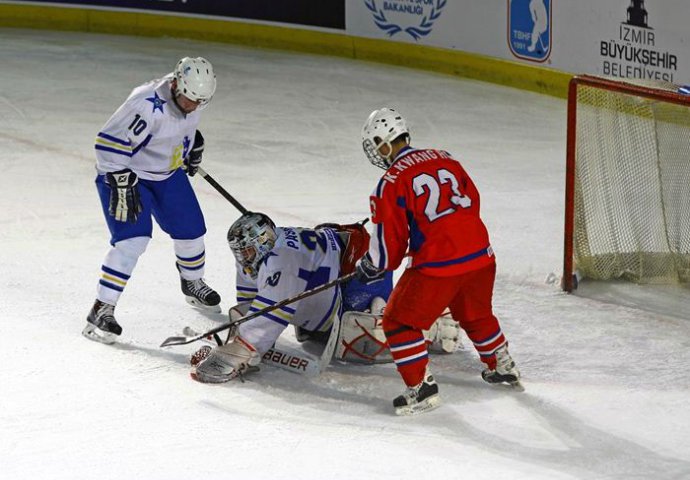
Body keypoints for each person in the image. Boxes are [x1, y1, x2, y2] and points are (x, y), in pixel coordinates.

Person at [354, 107, 522, 416]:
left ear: (385, 142)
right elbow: (472, 200)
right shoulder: (446, 158)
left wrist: (370, 264)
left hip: (439, 266)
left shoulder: (390, 182)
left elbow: (388, 253)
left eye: (377, 145)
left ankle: (421, 389)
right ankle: (502, 364)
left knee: (398, 321)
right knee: (475, 313)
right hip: (481, 255)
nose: (377, 152)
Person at [190, 212, 461, 383]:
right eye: (240, 252)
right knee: (317, 333)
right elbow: (253, 302)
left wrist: (241, 349)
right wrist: (241, 325)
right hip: (334, 261)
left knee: (359, 339)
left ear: (262, 242)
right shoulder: (259, 250)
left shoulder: (281, 261)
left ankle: (431, 324)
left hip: (358, 267)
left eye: (246, 251)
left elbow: (269, 315)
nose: (242, 257)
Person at [83, 57, 222, 344]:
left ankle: (192, 282)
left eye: (199, 102)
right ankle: (103, 307)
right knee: (132, 240)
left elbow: (179, 127)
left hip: (166, 174)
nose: (193, 107)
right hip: (124, 174)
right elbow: (107, 144)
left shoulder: (190, 97)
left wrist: (192, 144)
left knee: (192, 230)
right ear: (175, 84)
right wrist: (120, 180)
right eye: (189, 100)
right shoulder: (144, 103)